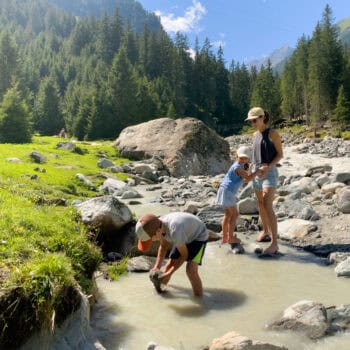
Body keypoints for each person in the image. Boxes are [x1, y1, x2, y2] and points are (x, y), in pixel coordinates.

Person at [135, 212, 208, 297]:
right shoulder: (158, 225)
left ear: (158, 231)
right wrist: (157, 266)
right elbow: (163, 246)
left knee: (191, 271)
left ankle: (199, 299)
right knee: (169, 265)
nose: (151, 242)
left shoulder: (175, 232)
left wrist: (170, 273)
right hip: (183, 235)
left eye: (150, 239)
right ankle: (161, 293)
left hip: (198, 236)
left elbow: (184, 255)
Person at [245, 107, 283, 255]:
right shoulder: (254, 135)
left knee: (267, 204)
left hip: (269, 172)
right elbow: (254, 155)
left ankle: (274, 244)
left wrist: (269, 166)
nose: (252, 123)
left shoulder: (273, 134)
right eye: (250, 121)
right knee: (260, 204)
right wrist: (249, 171)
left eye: (254, 120)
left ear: (262, 118)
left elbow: (280, 155)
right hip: (256, 172)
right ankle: (265, 231)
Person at [215, 146, 261, 253]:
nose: (243, 160)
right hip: (228, 192)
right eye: (241, 158)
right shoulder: (237, 167)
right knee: (234, 215)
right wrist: (257, 172)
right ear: (237, 157)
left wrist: (250, 168)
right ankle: (230, 237)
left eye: (245, 158)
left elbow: (246, 175)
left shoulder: (239, 166)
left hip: (224, 190)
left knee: (227, 215)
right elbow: (248, 179)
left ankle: (225, 237)